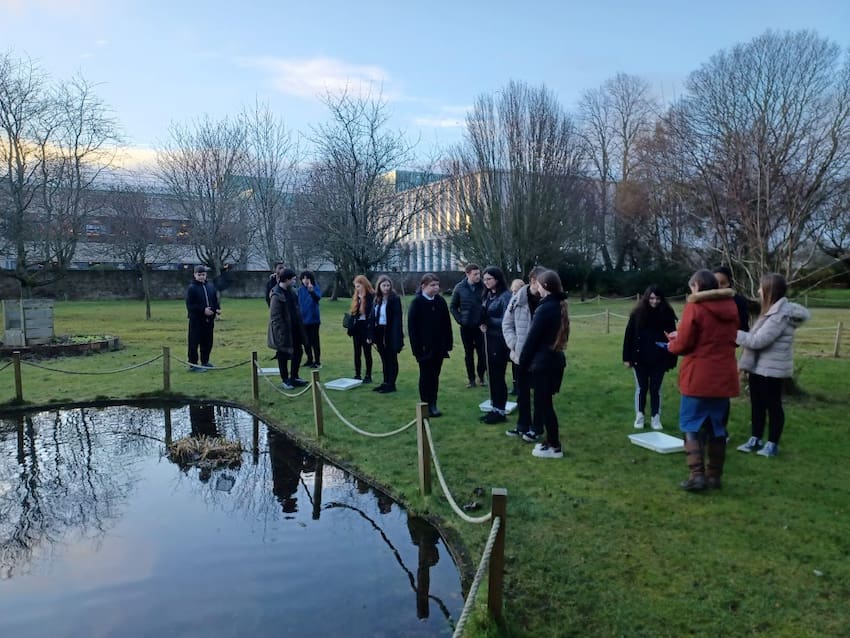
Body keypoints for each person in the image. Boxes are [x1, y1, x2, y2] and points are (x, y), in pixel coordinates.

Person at [666, 269, 740, 491]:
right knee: (718, 427)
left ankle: (696, 475)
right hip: (723, 375)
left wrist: (672, 344)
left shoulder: (695, 308)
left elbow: (685, 343)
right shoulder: (731, 307)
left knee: (690, 424)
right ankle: (714, 476)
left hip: (698, 375)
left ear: (696, 286)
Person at [735, 273, 809, 457]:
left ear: (770, 290)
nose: (758, 291)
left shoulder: (780, 315)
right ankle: (755, 438)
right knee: (757, 404)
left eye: (761, 287)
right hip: (758, 367)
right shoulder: (770, 312)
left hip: (772, 370)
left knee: (773, 406)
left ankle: (772, 443)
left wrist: (733, 333)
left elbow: (759, 340)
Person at [519, 270, 569, 458]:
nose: (536, 287)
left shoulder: (546, 308)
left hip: (543, 364)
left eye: (538, 284)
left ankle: (554, 446)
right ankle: (550, 440)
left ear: (545, 287)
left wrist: (522, 364)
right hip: (553, 362)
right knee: (545, 404)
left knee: (545, 405)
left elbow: (532, 340)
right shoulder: (557, 305)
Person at [622, 284, 678, 430]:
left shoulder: (667, 314)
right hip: (640, 357)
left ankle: (655, 417)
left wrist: (671, 358)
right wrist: (626, 358)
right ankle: (639, 415)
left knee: (656, 388)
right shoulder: (637, 314)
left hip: (659, 358)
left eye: (657, 298)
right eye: (652, 298)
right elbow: (629, 336)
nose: (654, 301)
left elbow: (674, 337)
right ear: (647, 298)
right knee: (641, 388)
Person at [503, 266, 545, 439]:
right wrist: (514, 344)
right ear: (533, 280)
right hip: (520, 355)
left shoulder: (548, 300)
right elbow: (507, 323)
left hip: (540, 357)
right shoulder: (517, 298)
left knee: (541, 395)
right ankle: (522, 425)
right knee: (522, 393)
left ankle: (536, 428)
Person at [407, 273, 453, 417]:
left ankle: (433, 403)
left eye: (437, 285)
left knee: (435, 376)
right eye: (432, 285)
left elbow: (447, 323)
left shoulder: (440, 302)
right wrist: (417, 350)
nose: (436, 288)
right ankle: (425, 404)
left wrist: (448, 343)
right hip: (424, 349)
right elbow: (412, 329)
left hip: (439, 347)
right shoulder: (417, 303)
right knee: (426, 376)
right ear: (423, 286)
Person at [479, 267, 514, 424]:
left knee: (498, 376)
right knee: (491, 375)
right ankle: (494, 407)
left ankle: (500, 410)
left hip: (500, 340)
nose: (486, 282)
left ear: (497, 279)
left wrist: (489, 321)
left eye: (489, 279)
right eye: (484, 279)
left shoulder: (506, 296)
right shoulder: (488, 295)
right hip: (489, 338)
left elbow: (508, 320)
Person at [267, 268, 308, 389]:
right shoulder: (276, 294)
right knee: (283, 354)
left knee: (298, 352)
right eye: (293, 279)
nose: (295, 281)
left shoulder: (292, 292)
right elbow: (275, 317)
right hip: (283, 330)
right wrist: (280, 332)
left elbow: (296, 309)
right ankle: (285, 379)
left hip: (295, 328)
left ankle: (294, 376)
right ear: (287, 279)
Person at [450, 263, 486, 388]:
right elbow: (453, 307)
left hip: (480, 327)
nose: (478, 276)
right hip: (466, 327)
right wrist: (460, 320)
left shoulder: (483, 286)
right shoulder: (459, 288)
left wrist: (484, 320)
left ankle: (481, 376)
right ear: (467, 274)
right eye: (475, 274)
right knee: (468, 354)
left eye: (479, 274)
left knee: (482, 354)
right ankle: (471, 379)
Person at [368, 275, 404, 393]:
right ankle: (385, 382)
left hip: (390, 331)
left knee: (391, 359)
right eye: (384, 285)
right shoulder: (377, 299)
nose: (386, 288)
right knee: (384, 358)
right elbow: (372, 317)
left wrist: (396, 336)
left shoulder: (394, 299)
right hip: (379, 330)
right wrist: (370, 335)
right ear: (379, 286)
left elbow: (397, 319)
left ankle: (391, 384)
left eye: (388, 285)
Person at [185, 265, 220, 371]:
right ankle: (193, 364)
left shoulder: (210, 286)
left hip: (209, 321)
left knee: (207, 342)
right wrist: (203, 310)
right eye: (199, 275)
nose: (201, 277)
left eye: (203, 274)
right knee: (194, 342)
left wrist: (217, 309)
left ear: (206, 275)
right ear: (195, 275)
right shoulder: (192, 288)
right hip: (196, 320)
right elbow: (190, 305)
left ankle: (205, 361)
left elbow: (214, 299)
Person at [347, 275, 375, 382]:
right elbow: (354, 312)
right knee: (357, 352)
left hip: (366, 326)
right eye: (356, 287)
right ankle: (357, 374)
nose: (357, 289)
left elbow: (369, 313)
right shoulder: (356, 296)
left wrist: (363, 299)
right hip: (357, 327)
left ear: (364, 285)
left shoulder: (371, 296)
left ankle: (368, 375)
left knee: (367, 352)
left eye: (359, 286)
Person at [298, 270, 322, 369]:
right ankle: (309, 359)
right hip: (303, 320)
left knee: (315, 341)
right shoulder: (300, 290)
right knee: (306, 341)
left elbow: (318, 298)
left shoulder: (315, 288)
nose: (305, 280)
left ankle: (317, 361)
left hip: (313, 320)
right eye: (303, 278)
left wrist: (311, 292)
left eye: (307, 278)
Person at [713, 266, 750, 331]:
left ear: (729, 283)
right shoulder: (706, 301)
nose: (718, 286)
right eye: (715, 283)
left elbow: (743, 327)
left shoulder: (739, 301)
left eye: (723, 283)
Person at [507, 278, 525, 396]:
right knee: (514, 362)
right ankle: (515, 386)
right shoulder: (512, 303)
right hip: (514, 338)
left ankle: (523, 386)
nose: (514, 294)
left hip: (523, 339)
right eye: (512, 291)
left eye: (516, 291)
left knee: (522, 364)